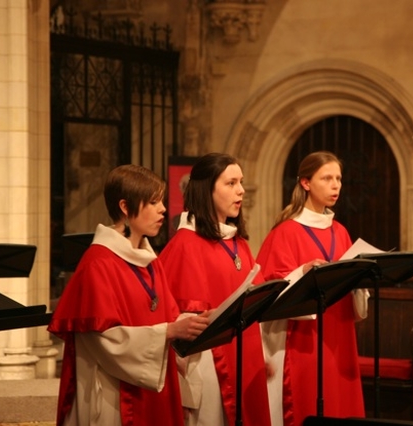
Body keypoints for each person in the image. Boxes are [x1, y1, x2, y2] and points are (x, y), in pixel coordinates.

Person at [48, 164, 211, 426]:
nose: (164, 210)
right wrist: (168, 332)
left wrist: (197, 321)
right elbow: (103, 341)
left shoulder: (149, 260)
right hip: (114, 395)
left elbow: (166, 316)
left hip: (155, 386)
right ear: (125, 207)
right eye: (154, 202)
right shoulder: (98, 263)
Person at [256, 151, 369, 426]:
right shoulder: (285, 232)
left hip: (338, 334)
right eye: (327, 178)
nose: (336, 185)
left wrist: (359, 279)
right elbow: (269, 289)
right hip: (304, 339)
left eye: (339, 178)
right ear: (306, 183)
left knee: (341, 406)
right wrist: (303, 272)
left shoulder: (339, 231)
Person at [158, 153, 272, 426]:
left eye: (241, 182)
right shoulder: (185, 245)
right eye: (231, 183)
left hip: (247, 359)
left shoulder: (238, 243)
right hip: (209, 369)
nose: (241, 190)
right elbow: (177, 323)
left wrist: (263, 354)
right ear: (206, 189)